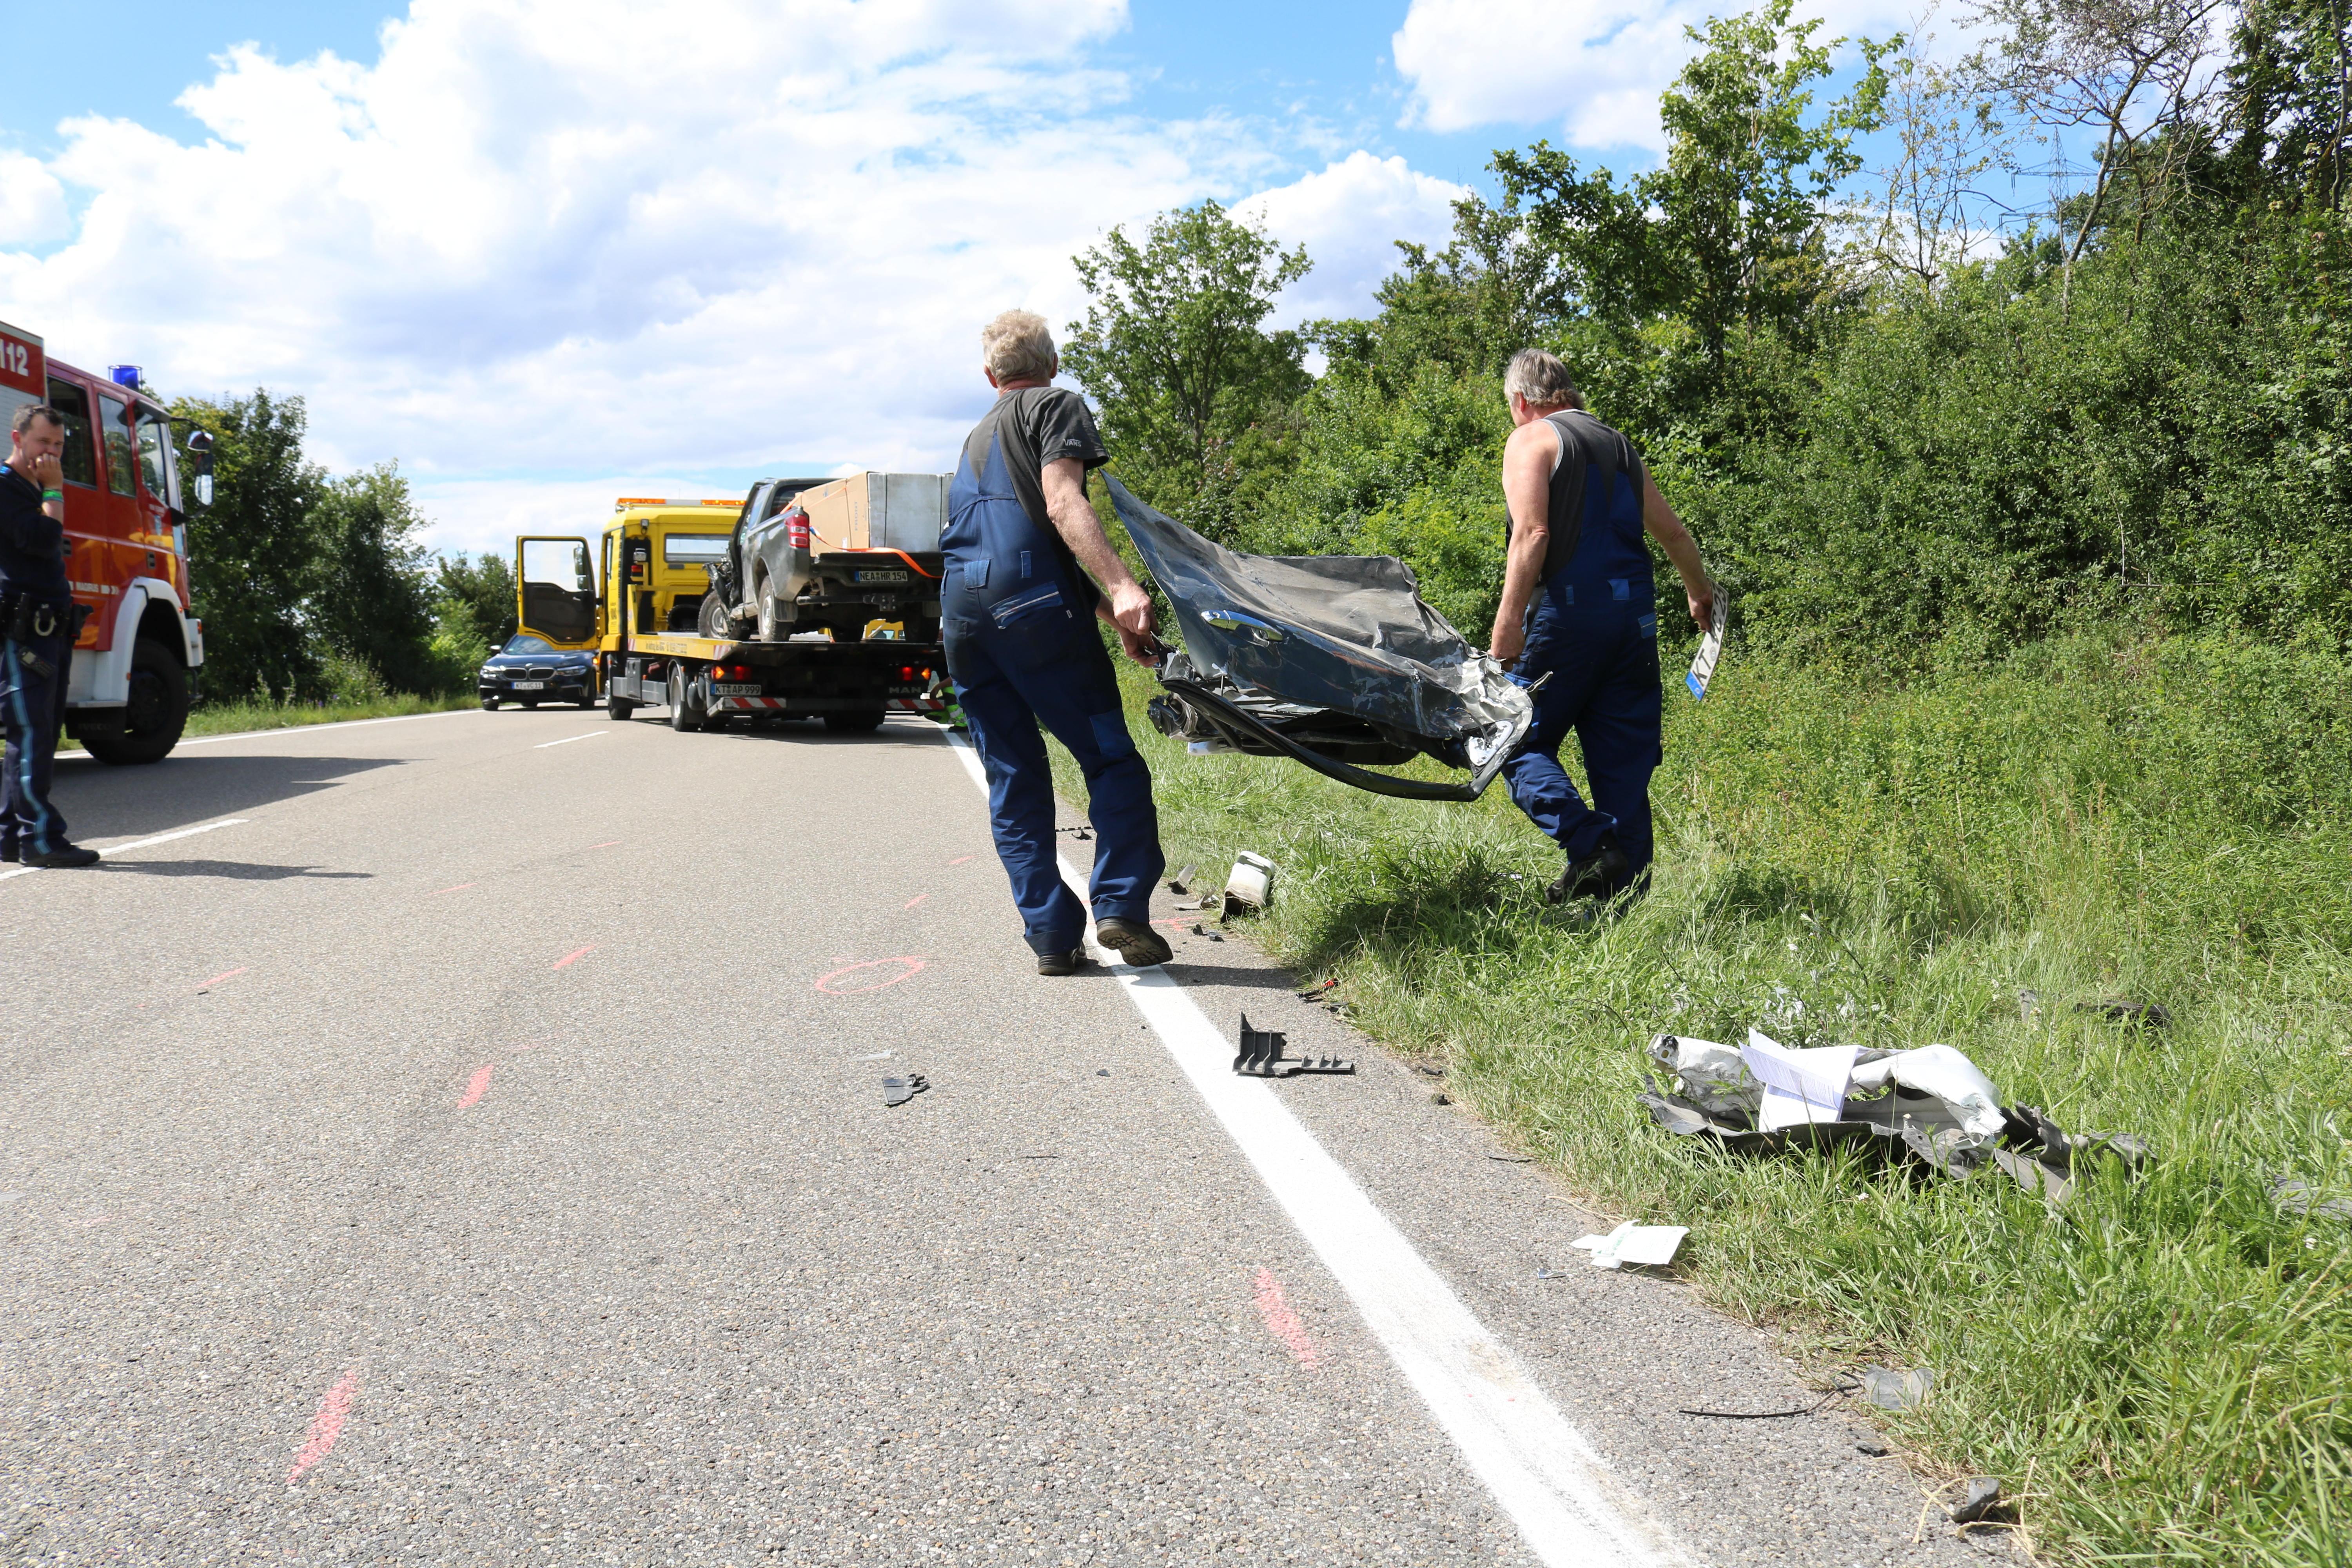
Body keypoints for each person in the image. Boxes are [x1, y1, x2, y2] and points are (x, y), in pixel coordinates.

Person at [943, 310, 1172, 975]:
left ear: (991, 376)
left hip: (962, 618)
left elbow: (1024, 544)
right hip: (1034, 609)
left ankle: (1050, 937)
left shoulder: (975, 437)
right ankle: (1121, 905)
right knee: (1111, 763)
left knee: (1013, 777)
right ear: (1051, 363)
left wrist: (1107, 613)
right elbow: (1062, 503)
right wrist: (1126, 589)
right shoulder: (1056, 406)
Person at [1487, 349, 1713, 904]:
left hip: (1566, 618)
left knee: (1509, 737)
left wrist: (1508, 622)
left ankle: (1590, 848)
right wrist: (1700, 594)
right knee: (1623, 766)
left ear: (1521, 401)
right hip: (1632, 623)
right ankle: (1625, 910)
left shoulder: (1532, 441)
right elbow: (1675, 536)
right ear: (1567, 392)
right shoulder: (1621, 448)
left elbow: (1533, 535)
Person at [1, 404, 98, 868]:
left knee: (39, 730)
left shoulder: (29, 489)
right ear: (18, 439)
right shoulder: (5, 487)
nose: (52, 454)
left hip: (46, 628)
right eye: (44, 443)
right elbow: (41, 539)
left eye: (59, 446)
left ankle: (8, 836)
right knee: (33, 733)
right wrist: (56, 490)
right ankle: (40, 840)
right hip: (22, 632)